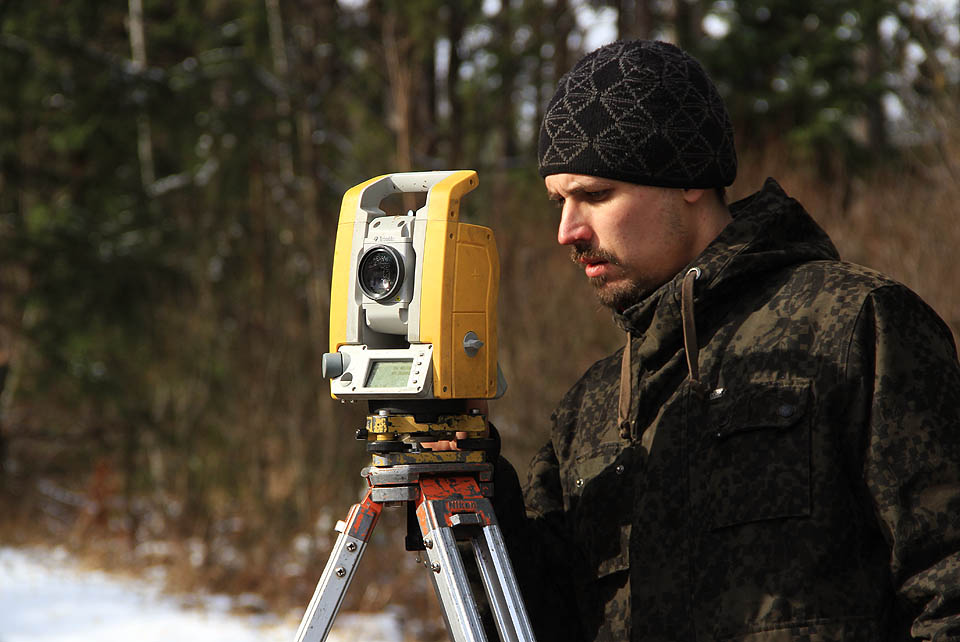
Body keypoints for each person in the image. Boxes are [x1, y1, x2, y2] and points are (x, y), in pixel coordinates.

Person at [486, 39, 960, 641]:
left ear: (689, 178)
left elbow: (947, 581)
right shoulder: (591, 407)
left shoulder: (854, 326)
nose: (566, 231)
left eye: (596, 195)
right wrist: (475, 476)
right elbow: (543, 620)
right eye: (559, 201)